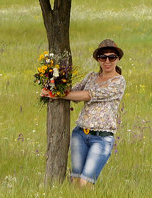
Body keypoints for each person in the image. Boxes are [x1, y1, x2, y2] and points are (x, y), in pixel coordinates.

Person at [40, 38, 126, 187]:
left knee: (85, 183)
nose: (107, 61)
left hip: (101, 138)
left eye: (111, 57)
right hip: (80, 134)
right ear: (98, 59)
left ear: (117, 59)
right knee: (75, 181)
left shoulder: (118, 82)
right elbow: (73, 93)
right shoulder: (91, 77)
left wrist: (58, 94)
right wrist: (53, 85)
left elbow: (89, 95)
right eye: (103, 57)